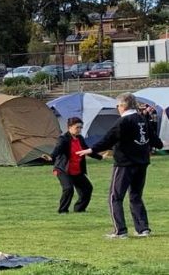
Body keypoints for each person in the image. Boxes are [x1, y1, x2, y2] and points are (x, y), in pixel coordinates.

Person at [77, 93, 164, 239]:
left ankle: (120, 230)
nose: (117, 108)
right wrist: (160, 144)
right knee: (136, 196)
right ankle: (143, 229)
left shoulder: (123, 122)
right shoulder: (142, 119)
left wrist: (91, 150)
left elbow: (109, 139)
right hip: (141, 163)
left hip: (125, 164)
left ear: (122, 106)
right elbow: (155, 141)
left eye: (117, 105)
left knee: (115, 197)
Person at [47, 117, 99, 214]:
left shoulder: (80, 138)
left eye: (81, 127)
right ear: (69, 127)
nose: (79, 130)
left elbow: (87, 150)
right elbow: (58, 149)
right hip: (63, 169)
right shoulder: (63, 139)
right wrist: (51, 157)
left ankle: (79, 209)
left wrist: (100, 157)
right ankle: (63, 210)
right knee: (68, 188)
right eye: (77, 127)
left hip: (77, 170)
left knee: (87, 188)